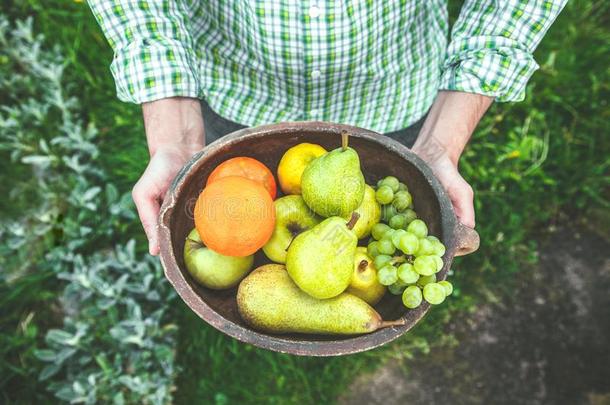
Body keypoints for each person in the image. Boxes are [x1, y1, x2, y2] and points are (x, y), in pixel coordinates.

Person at [87, 0, 565, 255]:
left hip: (391, 97)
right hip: (236, 88)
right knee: (231, 205)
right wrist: (176, 132)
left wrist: (443, 137)